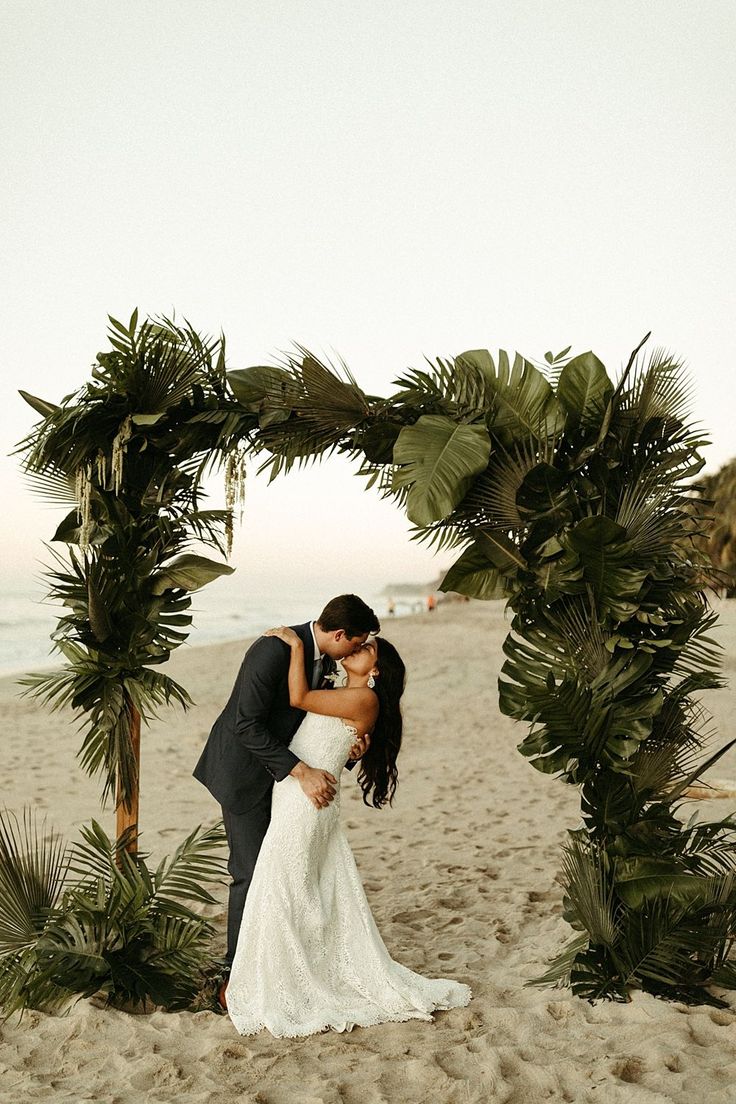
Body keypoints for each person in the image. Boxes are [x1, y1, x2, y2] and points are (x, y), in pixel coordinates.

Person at [222, 624, 472, 1038]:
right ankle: (278, 972)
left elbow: (298, 699)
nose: (359, 648)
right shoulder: (345, 692)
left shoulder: (363, 698)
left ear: (377, 670)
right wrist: (356, 747)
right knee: (290, 887)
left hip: (306, 802)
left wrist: (293, 645)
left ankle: (281, 980)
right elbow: (320, 734)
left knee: (285, 888)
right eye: (360, 642)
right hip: (298, 795)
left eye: (368, 648)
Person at [192, 594, 380, 991]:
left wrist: (348, 750)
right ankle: (235, 974)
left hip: (288, 782)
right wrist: (301, 770)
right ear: (341, 634)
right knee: (250, 871)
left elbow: (316, 726)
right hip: (245, 772)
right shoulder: (273, 649)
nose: (359, 650)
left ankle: (281, 960)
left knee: (283, 871)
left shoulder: (328, 660)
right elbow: (246, 724)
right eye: (358, 642)